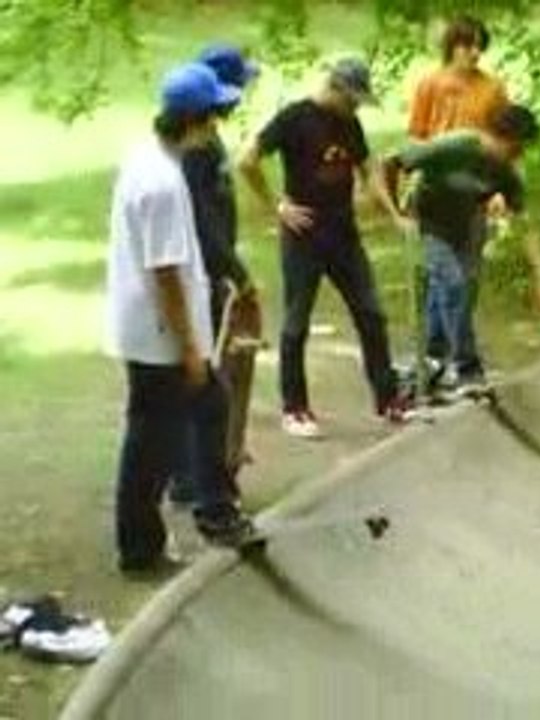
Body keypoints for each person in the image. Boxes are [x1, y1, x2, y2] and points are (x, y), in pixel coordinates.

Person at [105, 63, 258, 578]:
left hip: (147, 327)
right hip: (159, 334)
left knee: (187, 416)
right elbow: (166, 271)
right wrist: (189, 347)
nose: (217, 126)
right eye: (213, 115)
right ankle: (148, 545)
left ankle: (199, 517)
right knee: (156, 439)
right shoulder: (163, 184)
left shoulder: (147, 158)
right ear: (196, 119)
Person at [239, 56, 412, 438]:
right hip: (304, 235)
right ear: (335, 88)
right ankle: (295, 408)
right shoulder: (294, 118)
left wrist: (392, 212)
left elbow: (367, 169)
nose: (355, 108)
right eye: (352, 100)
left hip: (343, 234)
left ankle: (387, 398)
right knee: (296, 323)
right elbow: (247, 160)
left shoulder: (350, 123)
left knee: (371, 313)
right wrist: (277, 206)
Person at [384, 103, 540, 391]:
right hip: (432, 223)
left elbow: (526, 225)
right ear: (496, 136)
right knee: (452, 283)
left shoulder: (506, 172)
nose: (518, 156)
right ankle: (468, 368)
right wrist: (394, 209)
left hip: (469, 225)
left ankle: (432, 358)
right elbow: (392, 160)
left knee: (458, 293)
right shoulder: (455, 146)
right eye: (515, 148)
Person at [168, 44, 260, 507]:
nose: (242, 96)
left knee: (211, 378)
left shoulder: (209, 139)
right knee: (202, 382)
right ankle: (193, 479)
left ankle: (207, 466)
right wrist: (236, 272)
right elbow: (202, 220)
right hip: (202, 274)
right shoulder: (196, 150)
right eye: (239, 86)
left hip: (214, 272)